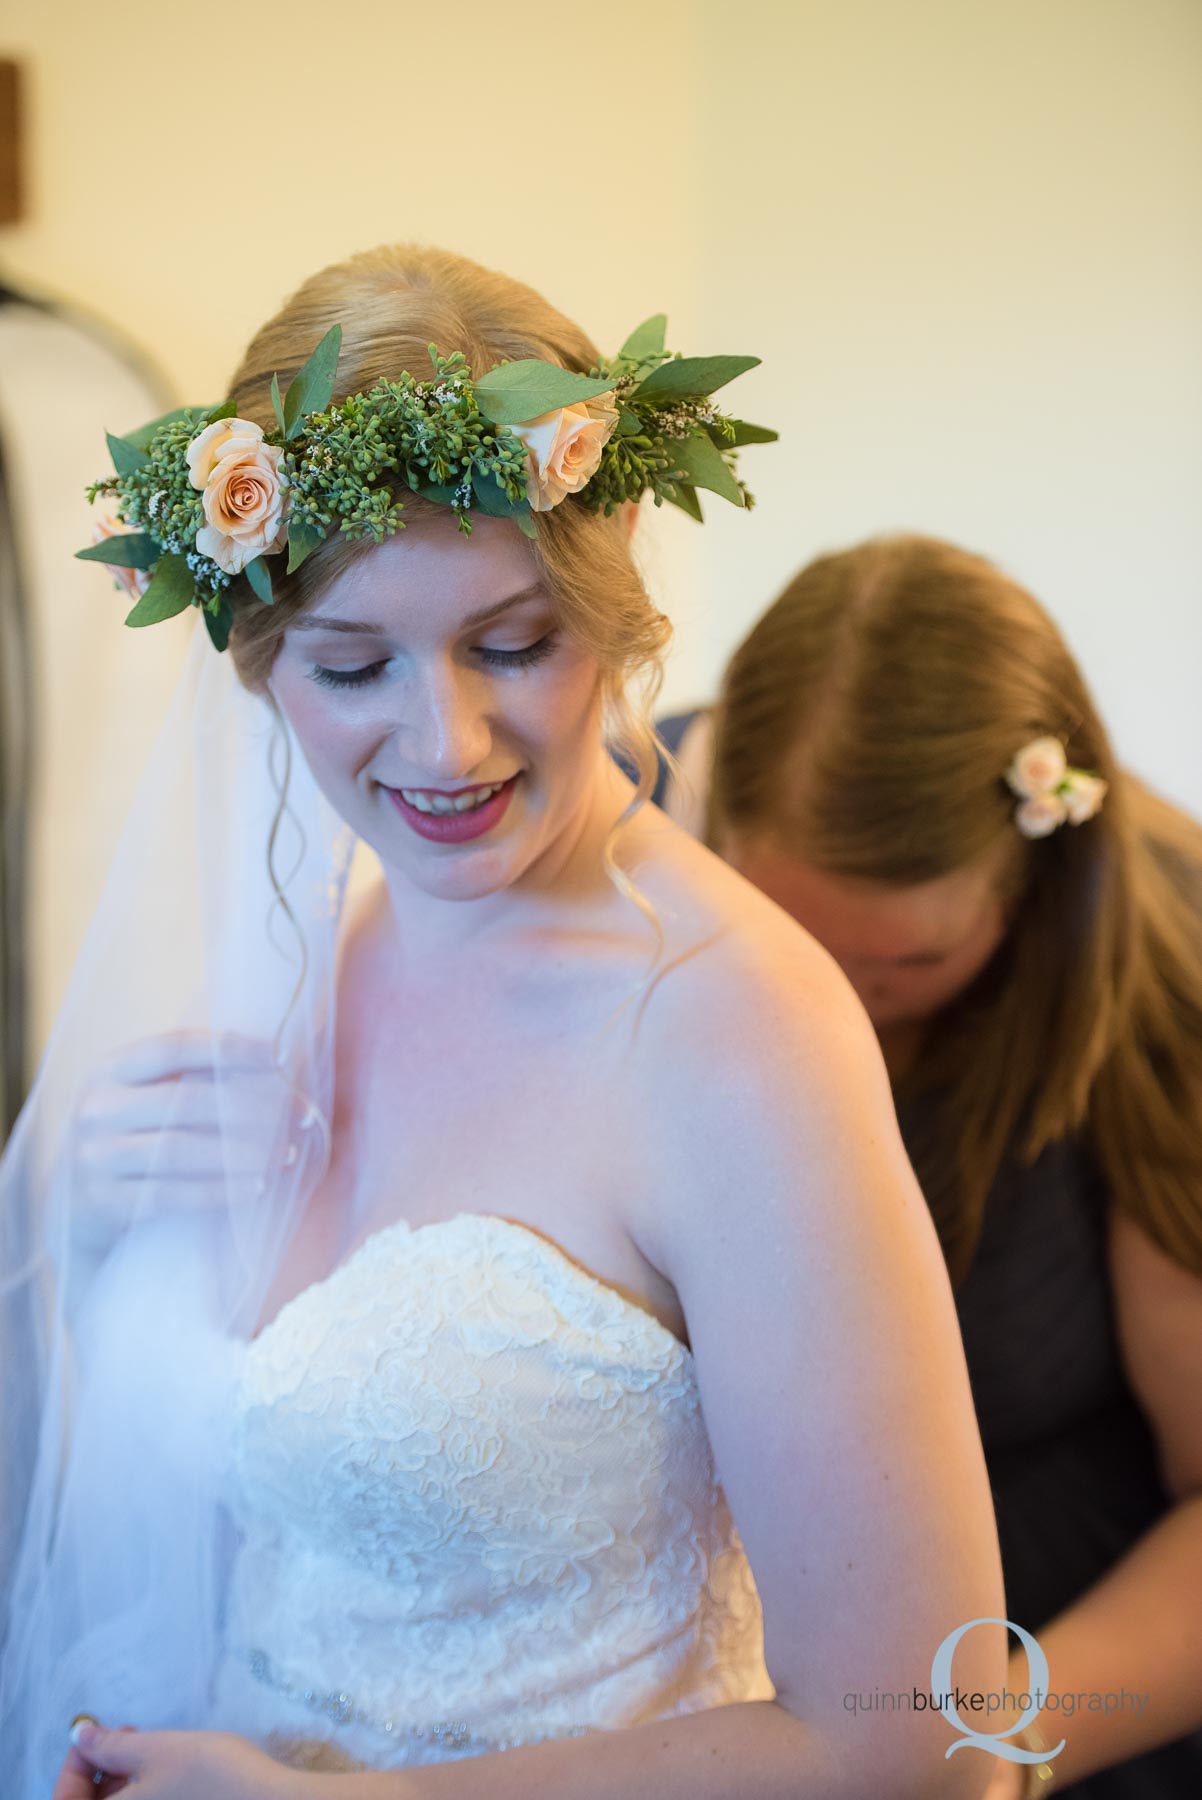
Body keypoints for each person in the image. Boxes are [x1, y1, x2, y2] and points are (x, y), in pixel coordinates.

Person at [0, 248, 1008, 1800]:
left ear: (612, 613)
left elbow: (916, 1731)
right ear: (261, 669)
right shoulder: (320, 945)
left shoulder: (733, 1032)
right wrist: (91, 1217)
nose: (443, 741)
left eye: (513, 644)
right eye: (352, 665)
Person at [648, 531, 1202, 1798]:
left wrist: (992, 1752)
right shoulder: (604, 841)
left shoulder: (1154, 971)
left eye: (901, 972)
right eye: (783, 942)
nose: (832, 1018)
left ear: (1031, 887)